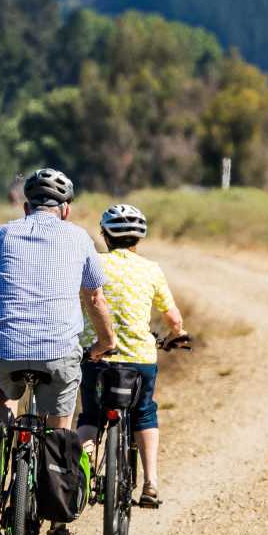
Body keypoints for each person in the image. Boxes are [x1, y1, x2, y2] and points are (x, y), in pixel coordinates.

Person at [0, 167, 117, 535]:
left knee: (3, 393)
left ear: (25, 207)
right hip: (59, 355)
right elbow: (96, 298)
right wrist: (105, 342)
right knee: (59, 431)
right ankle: (58, 531)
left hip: (6, 351)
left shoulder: (1, 235)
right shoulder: (80, 237)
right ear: (65, 210)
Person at [77, 203, 186, 509]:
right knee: (144, 413)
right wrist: (176, 336)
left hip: (98, 355)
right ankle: (151, 483)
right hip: (139, 359)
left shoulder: (94, 263)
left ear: (105, 236)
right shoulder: (151, 269)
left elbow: (80, 302)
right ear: (139, 239)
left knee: (90, 416)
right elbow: (174, 319)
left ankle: (80, 474)